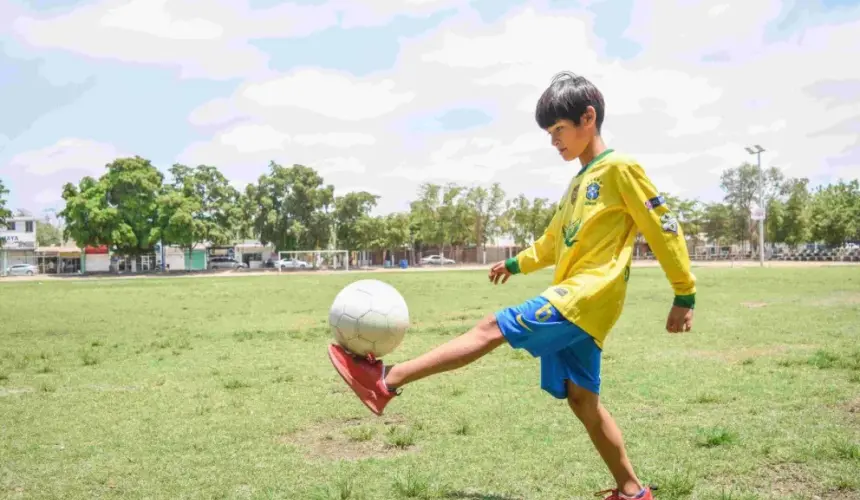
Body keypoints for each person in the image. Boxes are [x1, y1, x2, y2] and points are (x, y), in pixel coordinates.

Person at [327, 71, 697, 500]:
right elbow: (554, 242)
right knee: (583, 401)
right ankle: (633, 491)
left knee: (492, 327)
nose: (554, 140)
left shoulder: (621, 168)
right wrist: (514, 264)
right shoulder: (579, 181)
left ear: (588, 118)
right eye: (549, 132)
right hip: (580, 300)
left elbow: (663, 227)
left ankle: (386, 381)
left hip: (586, 295)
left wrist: (683, 292)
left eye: (559, 129)